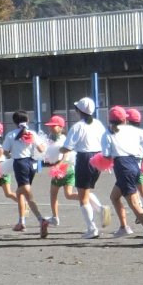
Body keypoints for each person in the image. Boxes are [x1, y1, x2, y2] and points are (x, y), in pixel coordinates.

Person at [102, 105, 143, 245]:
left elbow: (106, 156)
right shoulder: (135, 131)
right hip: (134, 165)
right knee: (114, 197)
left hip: (122, 167)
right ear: (125, 119)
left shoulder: (107, 133)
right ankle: (124, 227)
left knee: (133, 202)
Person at [61, 97, 110, 239]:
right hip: (99, 158)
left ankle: (92, 228)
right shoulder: (98, 124)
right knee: (86, 191)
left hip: (85, 158)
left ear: (78, 111)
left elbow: (67, 147)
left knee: (82, 197)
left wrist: (57, 150)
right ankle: (100, 209)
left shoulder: (77, 126)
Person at [1, 110, 49, 237]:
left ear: (14, 122)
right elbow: (41, 149)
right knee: (20, 192)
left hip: (20, 164)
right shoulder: (32, 133)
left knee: (27, 195)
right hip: (31, 164)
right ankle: (21, 221)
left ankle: (41, 219)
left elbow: (5, 151)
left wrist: (12, 154)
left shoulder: (11, 135)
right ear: (27, 120)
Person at [42, 115, 74, 227]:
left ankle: (55, 218)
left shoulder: (63, 139)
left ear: (61, 127)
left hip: (63, 168)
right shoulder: (52, 138)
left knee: (53, 193)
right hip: (64, 168)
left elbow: (66, 154)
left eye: (53, 126)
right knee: (68, 195)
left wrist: (58, 165)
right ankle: (88, 199)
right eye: (50, 126)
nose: (50, 128)